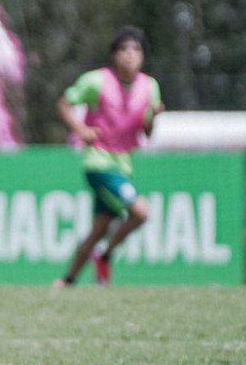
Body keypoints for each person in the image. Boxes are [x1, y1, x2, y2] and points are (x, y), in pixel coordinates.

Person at [52, 26, 163, 288]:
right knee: (141, 212)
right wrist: (81, 130)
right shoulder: (97, 81)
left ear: (144, 56)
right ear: (114, 55)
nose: (130, 55)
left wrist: (154, 117)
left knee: (100, 228)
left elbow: (147, 131)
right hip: (98, 163)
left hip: (124, 164)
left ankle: (67, 280)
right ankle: (106, 255)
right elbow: (63, 104)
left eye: (136, 49)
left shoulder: (150, 87)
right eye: (124, 49)